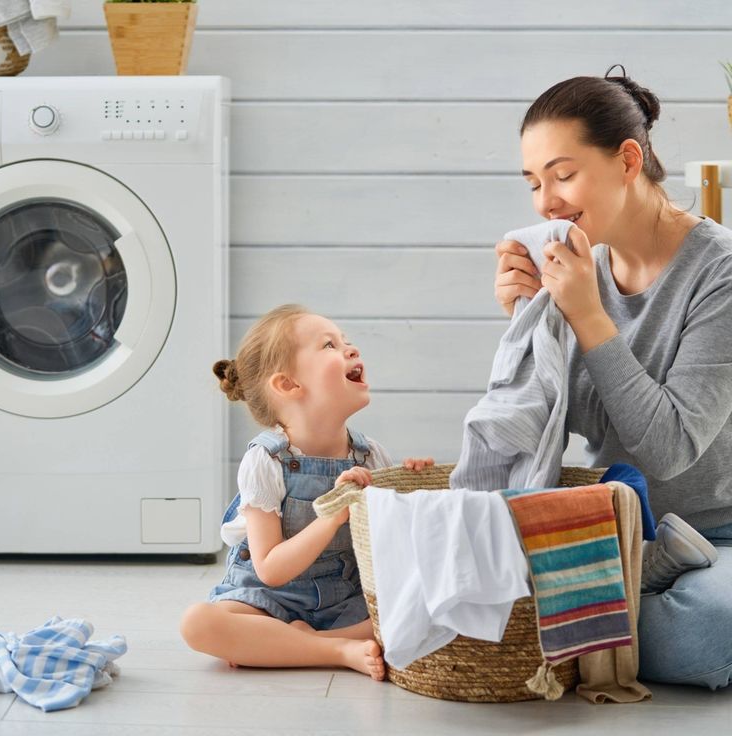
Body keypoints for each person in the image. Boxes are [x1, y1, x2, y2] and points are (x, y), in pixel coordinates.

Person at [493, 65, 732, 689]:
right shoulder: (577, 270)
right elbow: (568, 427)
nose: (546, 203)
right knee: (471, 573)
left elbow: (669, 449)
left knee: (707, 630)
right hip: (614, 527)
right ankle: (600, 617)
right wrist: (528, 323)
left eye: (564, 175)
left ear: (628, 159)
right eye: (534, 183)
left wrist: (589, 317)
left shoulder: (721, 274)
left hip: (717, 536)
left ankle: (578, 628)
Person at [180, 304, 433, 680]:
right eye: (330, 345)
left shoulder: (371, 455)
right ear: (288, 384)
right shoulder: (266, 461)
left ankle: (284, 645)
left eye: (347, 342)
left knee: (427, 606)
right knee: (197, 623)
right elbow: (269, 570)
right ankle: (333, 649)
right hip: (270, 598)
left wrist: (411, 490)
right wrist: (332, 516)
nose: (351, 350)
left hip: (345, 597)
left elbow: (392, 543)